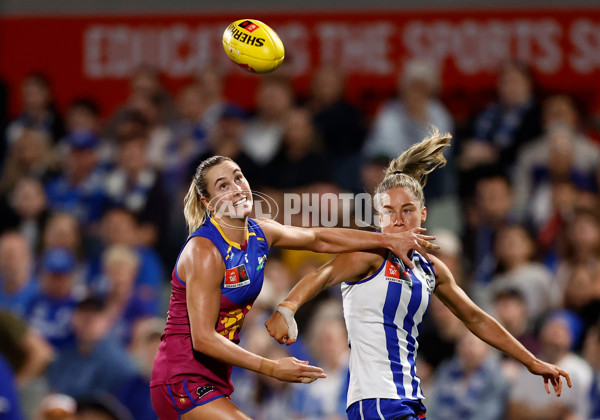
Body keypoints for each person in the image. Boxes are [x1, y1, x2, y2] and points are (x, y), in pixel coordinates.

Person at [266, 129, 571, 420]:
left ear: (423, 213)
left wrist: (532, 361)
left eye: (407, 210)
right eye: (388, 212)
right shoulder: (369, 256)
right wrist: (287, 307)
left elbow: (476, 318)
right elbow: (321, 274)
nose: (398, 220)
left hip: (410, 398)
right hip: (377, 401)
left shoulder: (431, 269)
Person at [150, 155, 438, 420]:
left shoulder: (260, 233)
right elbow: (202, 338)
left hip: (215, 380)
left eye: (238, 177)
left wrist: (384, 240)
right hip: (180, 379)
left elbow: (318, 238)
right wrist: (272, 367)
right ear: (209, 203)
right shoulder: (204, 250)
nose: (237, 188)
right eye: (223, 185)